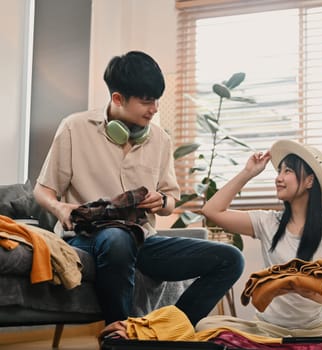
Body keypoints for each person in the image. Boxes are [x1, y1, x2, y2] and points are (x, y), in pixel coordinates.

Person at [33, 50, 244, 326]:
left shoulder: (160, 140)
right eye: (147, 101)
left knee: (231, 259)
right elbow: (42, 190)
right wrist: (61, 208)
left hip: (142, 238)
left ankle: (166, 329)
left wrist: (162, 201)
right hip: (87, 237)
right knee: (116, 239)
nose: (155, 108)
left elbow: (171, 199)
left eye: (157, 100)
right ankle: (118, 333)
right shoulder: (75, 128)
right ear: (118, 98)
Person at [196, 140, 322, 350]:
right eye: (279, 171)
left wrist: (307, 291)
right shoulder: (267, 222)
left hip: (317, 331)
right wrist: (248, 173)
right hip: (268, 330)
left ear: (309, 181)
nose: (279, 178)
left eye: (288, 171)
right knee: (205, 325)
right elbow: (212, 211)